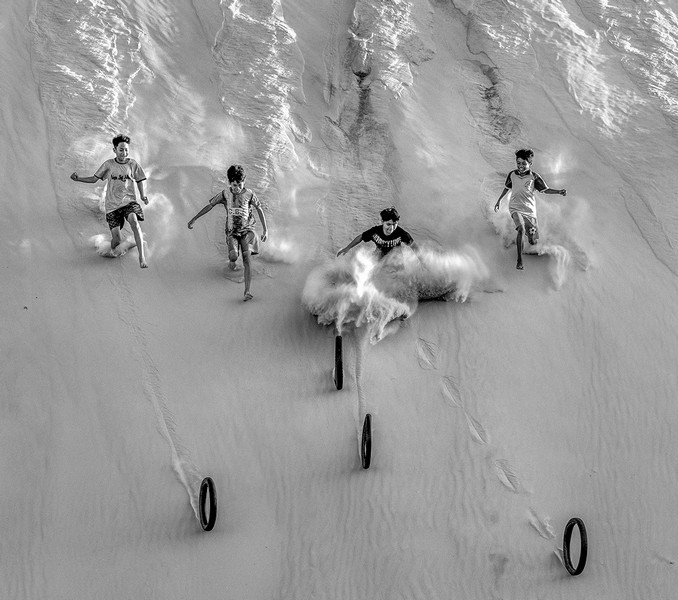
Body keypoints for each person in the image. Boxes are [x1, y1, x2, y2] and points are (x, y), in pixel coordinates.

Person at [188, 164, 268, 301]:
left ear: (244, 181)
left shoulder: (249, 194)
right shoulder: (225, 194)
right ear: (229, 182)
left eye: (239, 185)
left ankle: (247, 291)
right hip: (232, 232)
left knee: (247, 259)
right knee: (233, 256)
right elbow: (210, 205)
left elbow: (259, 209)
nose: (237, 188)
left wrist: (265, 230)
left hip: (247, 230)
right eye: (234, 185)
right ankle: (231, 263)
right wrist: (194, 218)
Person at [71, 134, 150, 268]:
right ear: (114, 150)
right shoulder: (108, 165)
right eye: (121, 150)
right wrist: (78, 179)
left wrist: (142, 196)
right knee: (117, 240)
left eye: (126, 150)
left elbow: (139, 180)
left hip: (129, 201)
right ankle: (112, 250)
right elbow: (94, 179)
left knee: (134, 221)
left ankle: (141, 258)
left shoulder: (132, 164)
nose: (124, 152)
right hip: (112, 206)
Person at [494, 148, 567, 270]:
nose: (520, 166)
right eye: (518, 163)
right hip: (515, 207)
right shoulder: (512, 175)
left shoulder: (534, 177)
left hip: (529, 211)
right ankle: (519, 260)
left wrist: (558, 191)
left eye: (524, 163)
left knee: (532, 240)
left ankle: (533, 246)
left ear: (530, 163)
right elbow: (507, 188)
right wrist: (499, 200)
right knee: (521, 229)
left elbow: (545, 190)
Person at [337, 207, 416, 257]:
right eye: (388, 224)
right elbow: (361, 237)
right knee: (372, 260)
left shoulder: (401, 233)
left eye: (394, 224)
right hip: (379, 258)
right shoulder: (375, 231)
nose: (391, 228)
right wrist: (347, 248)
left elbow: (414, 246)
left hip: (395, 260)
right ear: (382, 222)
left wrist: (422, 262)